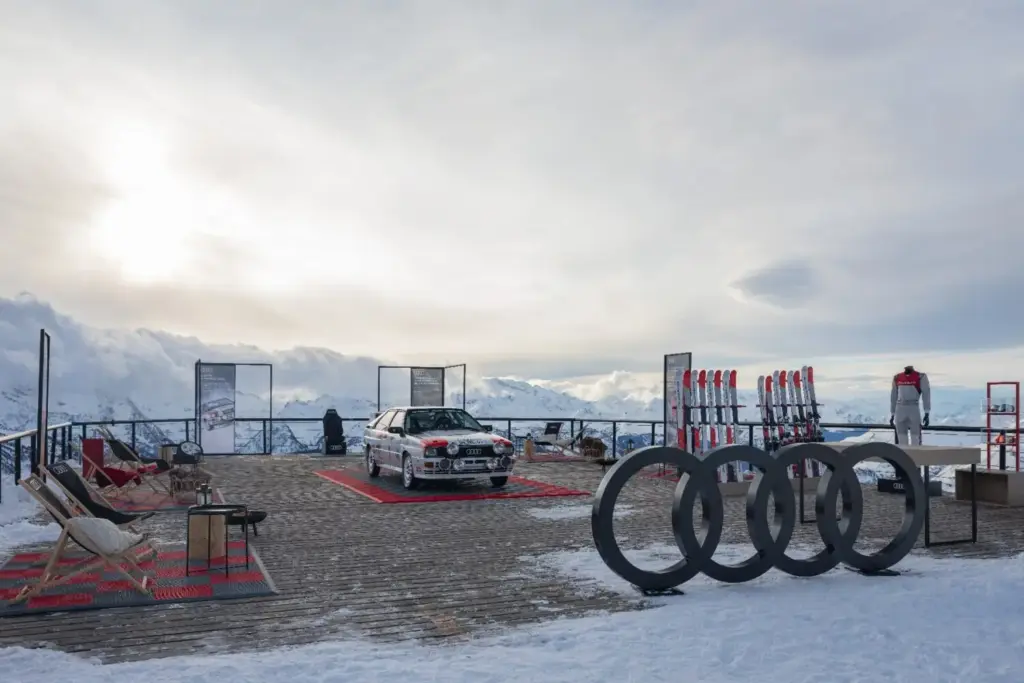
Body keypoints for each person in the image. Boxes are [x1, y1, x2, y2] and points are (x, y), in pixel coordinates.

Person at [890, 365, 931, 445]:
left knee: (905, 440)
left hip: (902, 409)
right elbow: (926, 395)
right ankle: (914, 456)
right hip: (912, 408)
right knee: (912, 440)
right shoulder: (920, 377)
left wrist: (892, 414)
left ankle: (906, 455)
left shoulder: (898, 377)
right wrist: (927, 412)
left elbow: (893, 397)